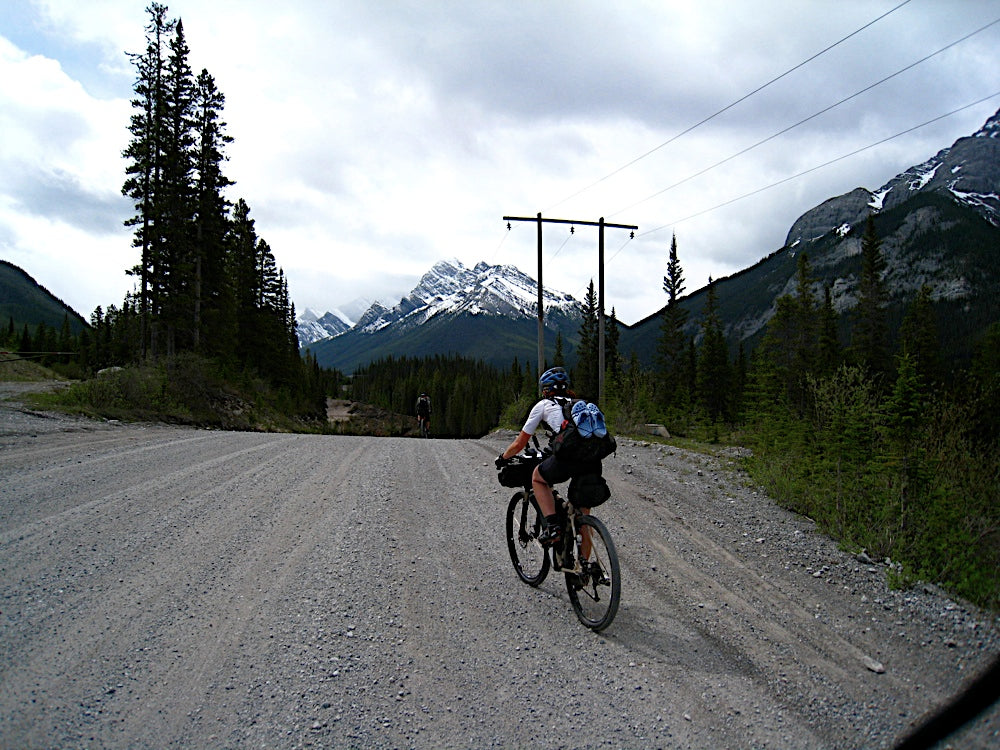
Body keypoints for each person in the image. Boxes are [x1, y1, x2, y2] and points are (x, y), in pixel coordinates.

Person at [496, 366, 600, 545]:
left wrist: (503, 457)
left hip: (567, 459)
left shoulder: (543, 405)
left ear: (545, 389)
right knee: (583, 518)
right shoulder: (581, 405)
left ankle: (553, 527)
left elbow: (519, 444)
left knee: (537, 477)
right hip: (592, 460)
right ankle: (587, 569)